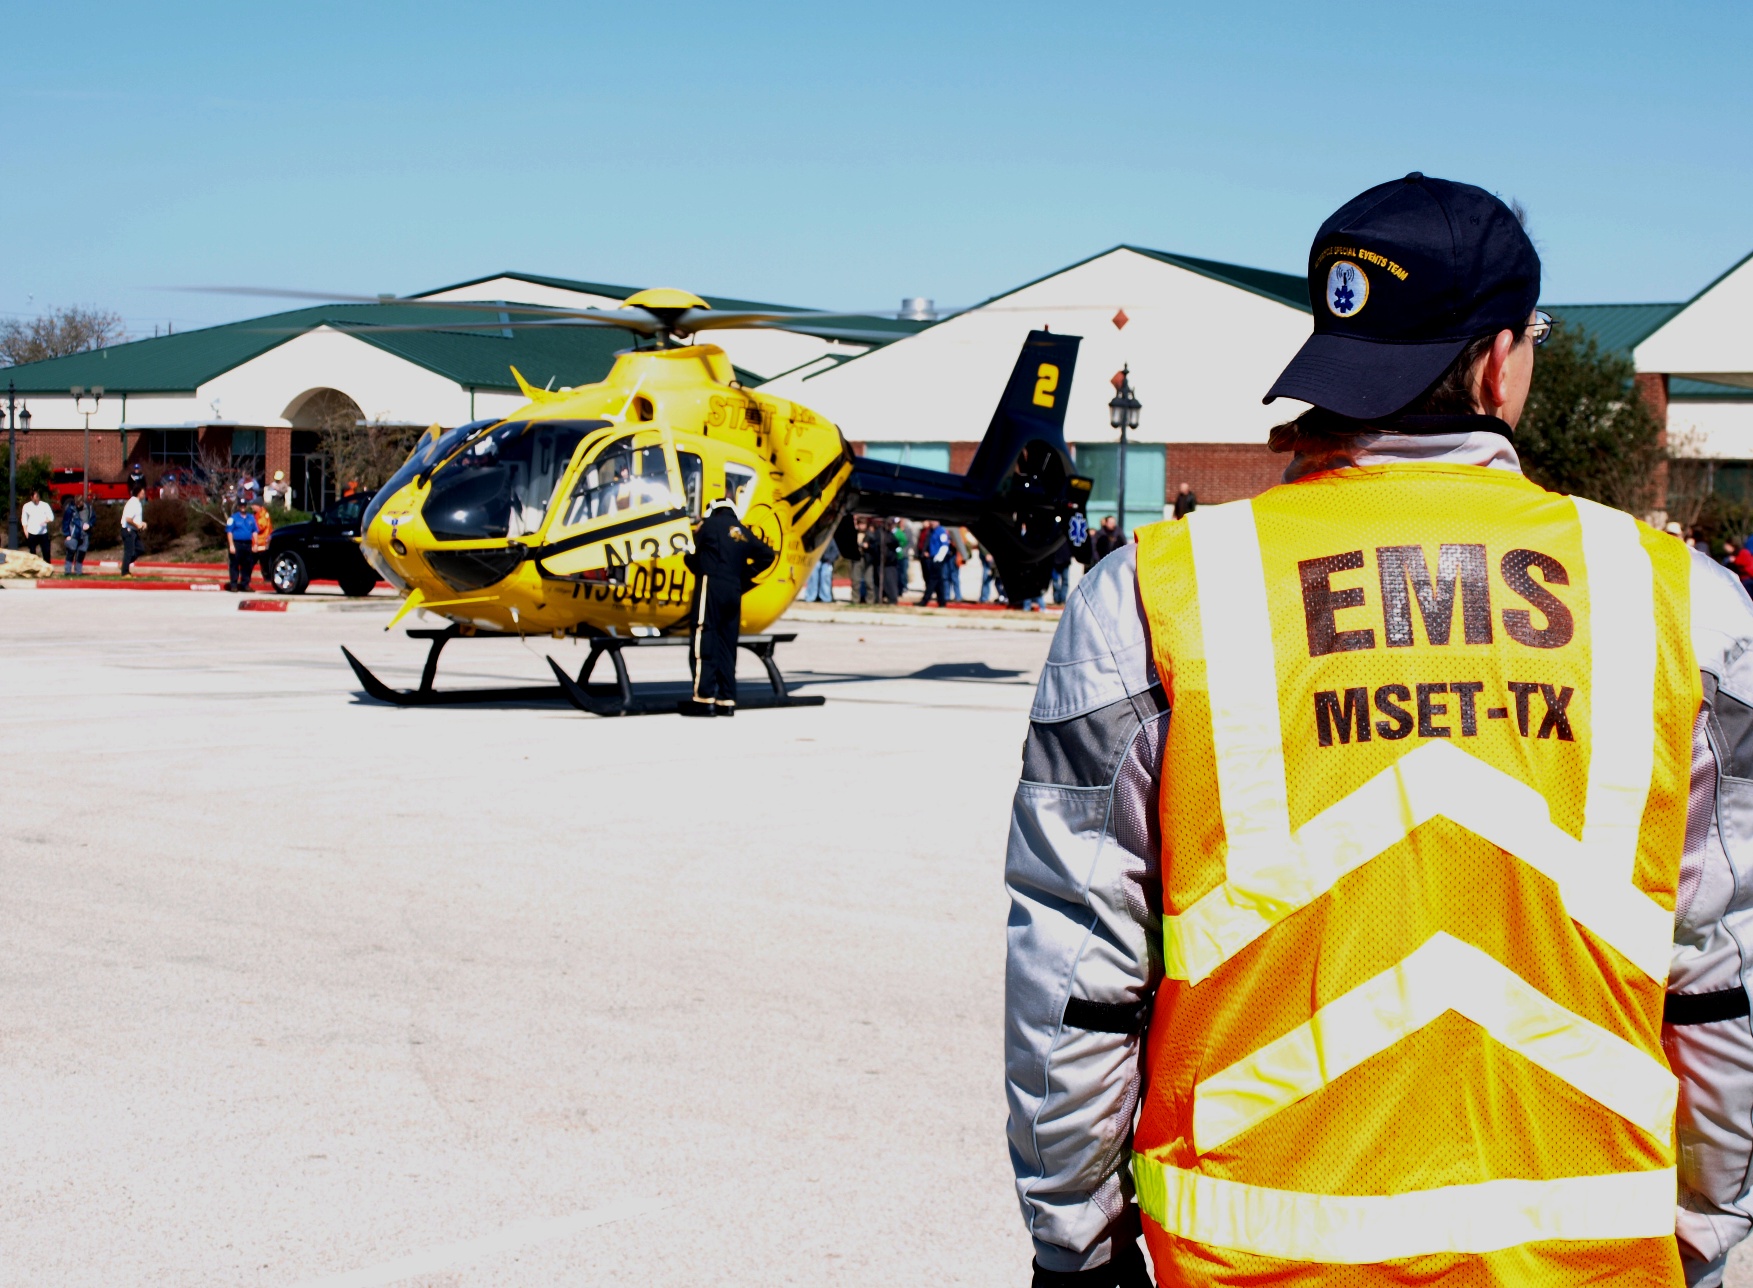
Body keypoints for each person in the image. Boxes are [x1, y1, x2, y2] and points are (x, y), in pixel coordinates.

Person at [1004, 173, 1753, 1287]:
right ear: (1499, 362)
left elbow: (1075, 965)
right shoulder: (1682, 604)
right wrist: (1702, 1229)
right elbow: (1721, 971)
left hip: (1248, 1257)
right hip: (1588, 1260)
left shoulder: (1155, 594)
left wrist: (1074, 1241)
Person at [679, 495, 776, 716]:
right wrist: (743, 576)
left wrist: (693, 563)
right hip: (733, 590)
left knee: (705, 638)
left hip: (711, 586)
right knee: (727, 644)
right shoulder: (742, 531)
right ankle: (727, 699)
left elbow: (692, 554)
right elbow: (767, 555)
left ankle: (704, 699)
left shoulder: (709, 526)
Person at [224, 499, 257, 591]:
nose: (243, 507)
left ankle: (245, 584)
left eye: (244, 505)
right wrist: (231, 545)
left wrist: (255, 544)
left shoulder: (251, 517)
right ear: (238, 506)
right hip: (237, 544)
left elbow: (254, 531)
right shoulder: (233, 518)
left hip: (247, 544)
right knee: (234, 565)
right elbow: (229, 532)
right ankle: (234, 585)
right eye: (241, 505)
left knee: (247, 565)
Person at [919, 522, 953, 607]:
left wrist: (938, 558)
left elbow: (944, 546)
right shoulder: (932, 531)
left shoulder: (941, 531)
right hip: (932, 557)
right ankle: (942, 601)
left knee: (933, 580)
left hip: (938, 558)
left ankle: (925, 600)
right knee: (939, 581)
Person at [120, 483, 148, 575]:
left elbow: (135, 518)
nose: (144, 495)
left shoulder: (138, 503)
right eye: (143, 493)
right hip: (128, 530)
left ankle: (124, 565)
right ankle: (125, 573)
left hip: (133, 530)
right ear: (138, 493)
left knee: (140, 549)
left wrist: (141, 524)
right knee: (129, 551)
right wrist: (137, 526)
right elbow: (128, 519)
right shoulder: (133, 503)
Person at [60, 494, 90, 576]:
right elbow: (65, 522)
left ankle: (78, 571)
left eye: (79, 503)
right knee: (70, 552)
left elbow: (92, 518)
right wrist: (67, 534)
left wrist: (90, 524)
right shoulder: (70, 509)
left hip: (84, 534)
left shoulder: (88, 508)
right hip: (73, 534)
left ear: (82, 502)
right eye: (76, 504)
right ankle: (67, 571)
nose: (78, 506)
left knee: (81, 553)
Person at [20, 489, 53, 561]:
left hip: (43, 532)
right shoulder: (27, 506)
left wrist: (45, 521)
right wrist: (25, 531)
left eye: (37, 498)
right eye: (35, 498)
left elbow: (51, 517)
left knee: (46, 551)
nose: (36, 500)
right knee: (32, 552)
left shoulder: (45, 505)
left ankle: (47, 564)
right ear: (31, 498)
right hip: (32, 532)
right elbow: (24, 519)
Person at [251, 499, 275, 590]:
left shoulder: (263, 514)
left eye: (253, 505)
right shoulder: (257, 514)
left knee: (264, 564)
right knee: (251, 562)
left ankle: (268, 581)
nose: (252, 507)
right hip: (257, 543)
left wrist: (250, 526)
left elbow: (260, 527)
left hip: (262, 543)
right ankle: (246, 578)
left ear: (258, 506)